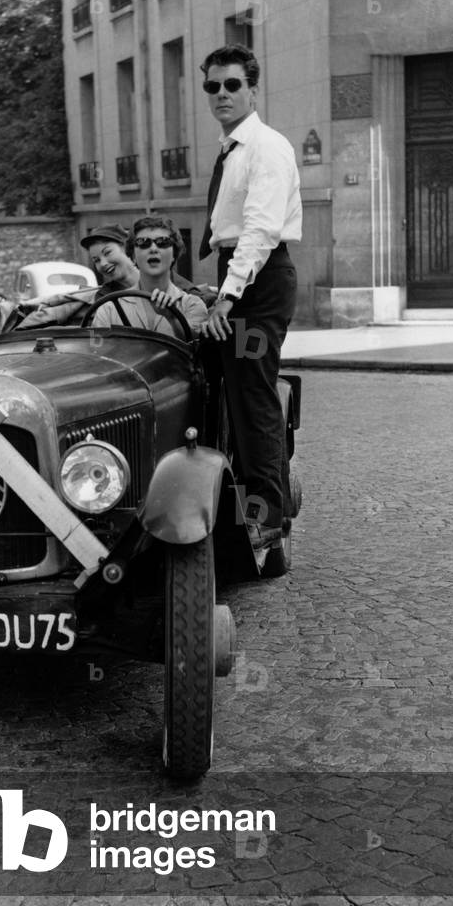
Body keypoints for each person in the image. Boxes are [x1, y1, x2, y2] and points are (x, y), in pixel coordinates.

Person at [197, 44, 302, 550]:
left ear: (253, 89)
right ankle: (239, 502)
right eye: (212, 86)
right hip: (239, 277)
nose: (221, 94)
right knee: (229, 394)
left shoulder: (266, 146)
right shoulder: (232, 148)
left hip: (257, 283)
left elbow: (259, 231)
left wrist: (227, 298)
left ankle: (267, 516)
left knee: (254, 399)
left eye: (232, 85)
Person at [91, 215, 207, 336]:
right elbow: (95, 351)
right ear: (133, 256)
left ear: (174, 255)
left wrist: (173, 319)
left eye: (162, 242)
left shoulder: (192, 304)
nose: (153, 249)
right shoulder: (109, 309)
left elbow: (196, 349)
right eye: (143, 243)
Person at [15, 224, 138, 329]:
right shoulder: (102, 299)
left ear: (127, 249)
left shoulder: (153, 282)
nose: (103, 263)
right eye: (96, 260)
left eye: (107, 253)